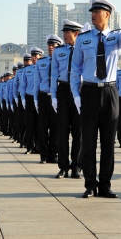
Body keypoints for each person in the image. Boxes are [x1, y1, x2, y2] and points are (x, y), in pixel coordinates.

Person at [70, 0, 121, 198]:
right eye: (92, 11)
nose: (93, 14)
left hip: (110, 92)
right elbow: (75, 70)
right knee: (89, 141)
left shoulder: (115, 37)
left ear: (107, 15)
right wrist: (76, 94)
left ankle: (105, 185)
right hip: (89, 91)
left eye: (97, 11)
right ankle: (90, 184)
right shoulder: (83, 39)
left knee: (109, 143)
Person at [51, 19, 85, 179]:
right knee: (62, 131)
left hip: (80, 90)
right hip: (63, 90)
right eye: (63, 32)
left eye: (67, 32)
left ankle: (77, 166)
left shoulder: (84, 49)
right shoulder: (58, 51)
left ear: (76, 34)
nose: (64, 35)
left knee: (79, 131)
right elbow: (53, 76)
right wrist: (54, 96)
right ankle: (63, 167)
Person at [34, 35, 62, 163]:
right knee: (42, 127)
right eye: (49, 45)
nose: (51, 47)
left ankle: (53, 154)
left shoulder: (62, 61)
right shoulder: (41, 62)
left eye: (54, 45)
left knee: (56, 128)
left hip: (57, 97)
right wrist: (35, 99)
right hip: (44, 97)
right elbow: (36, 82)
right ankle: (44, 155)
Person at [20, 48, 43, 154]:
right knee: (29, 124)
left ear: (40, 57)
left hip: (40, 97)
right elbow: (23, 85)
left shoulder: (44, 67)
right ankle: (29, 146)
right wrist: (23, 99)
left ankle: (39, 147)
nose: (33, 58)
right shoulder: (27, 70)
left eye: (36, 56)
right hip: (29, 98)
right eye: (32, 56)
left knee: (40, 125)